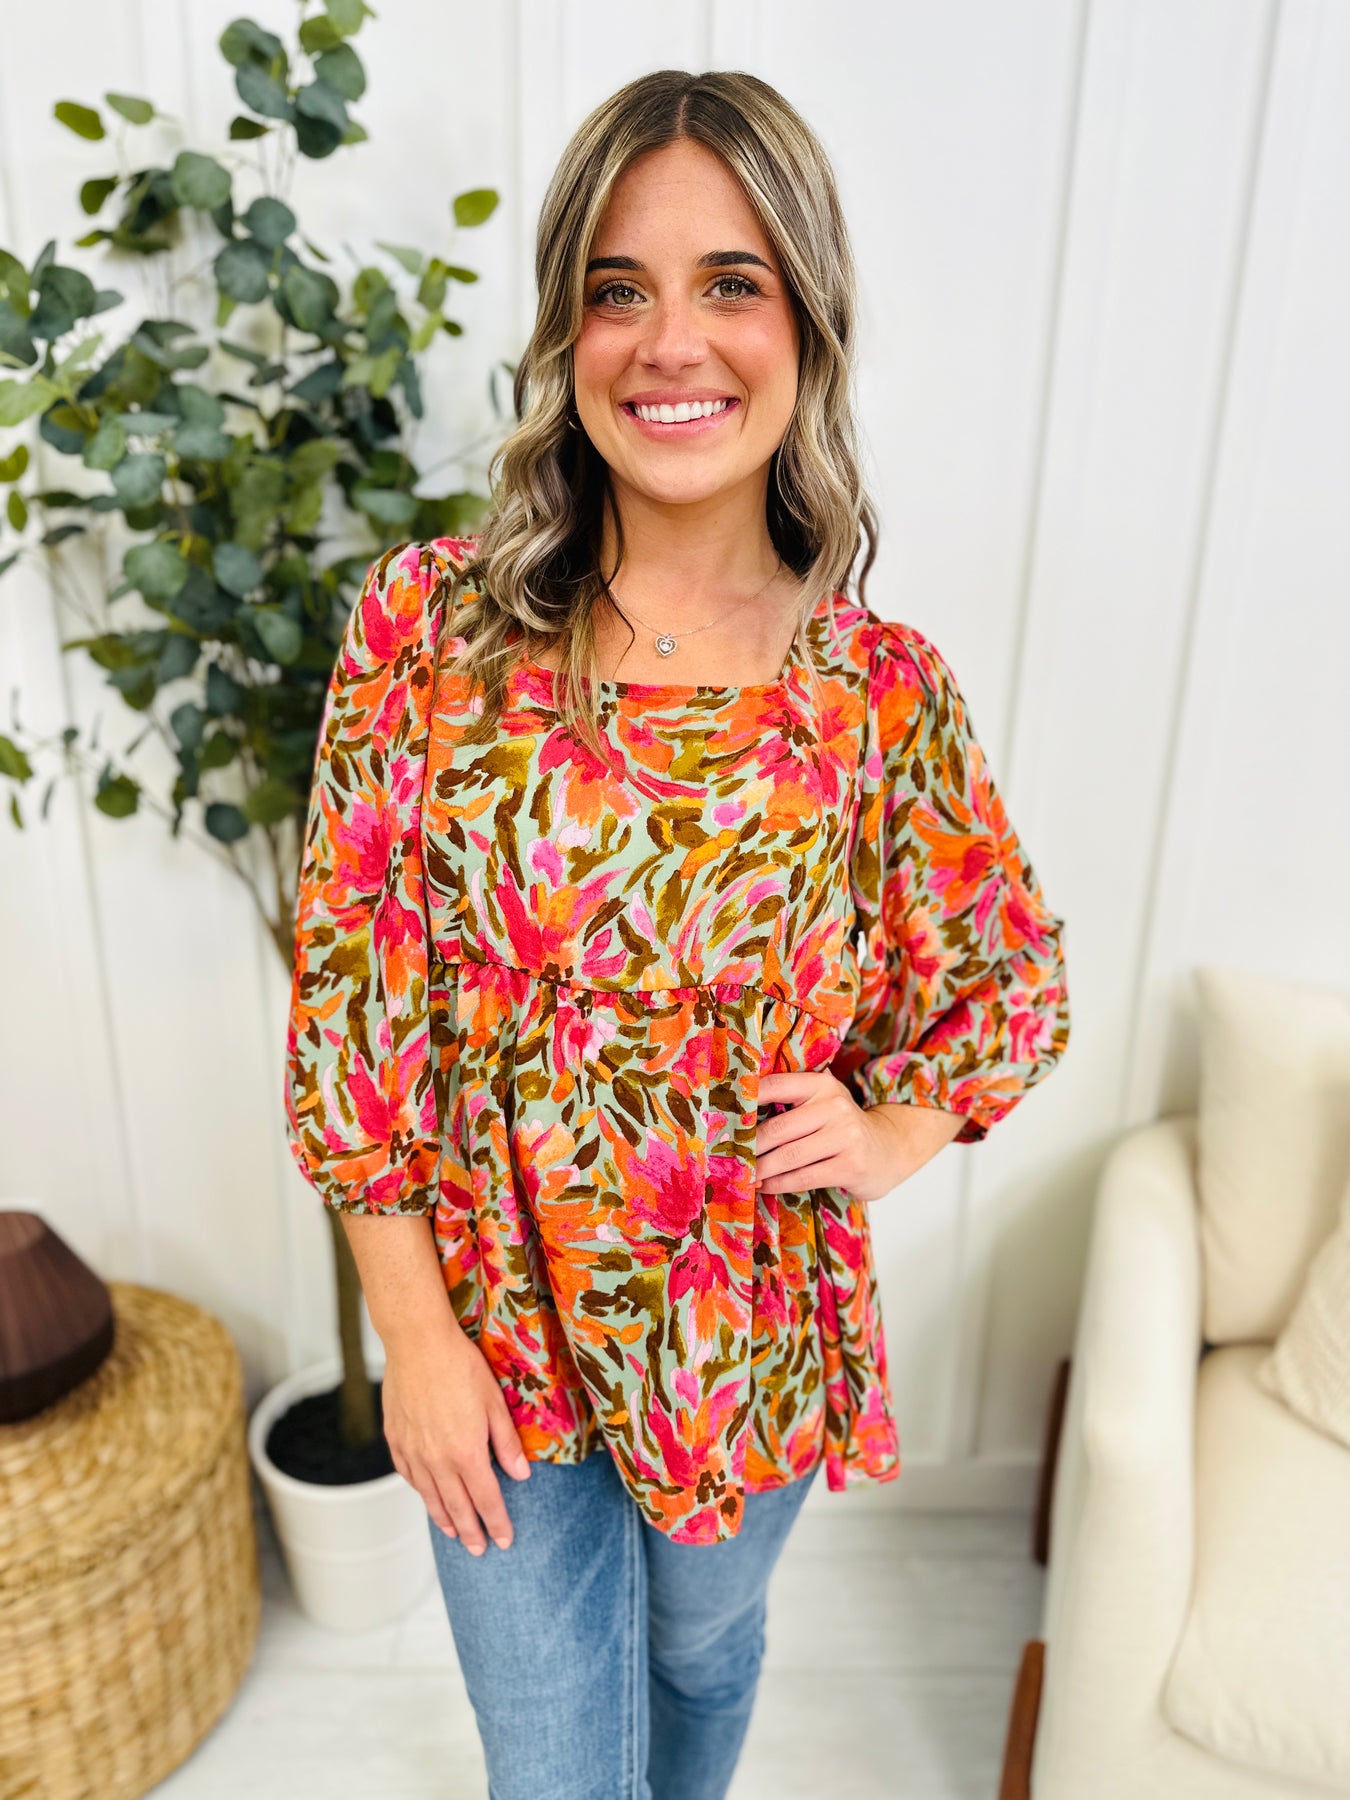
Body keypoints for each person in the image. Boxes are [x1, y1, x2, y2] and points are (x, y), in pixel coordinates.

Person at [283, 67, 1071, 1800]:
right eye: (617, 290)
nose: (670, 343)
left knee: (701, 1653)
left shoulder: (874, 692)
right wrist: (412, 1334)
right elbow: (352, 1011)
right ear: (566, 333)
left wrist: (893, 1128)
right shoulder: (429, 633)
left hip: (745, 1332)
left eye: (731, 284)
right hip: (493, 1323)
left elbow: (1007, 975)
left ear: (806, 325)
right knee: (559, 1770)